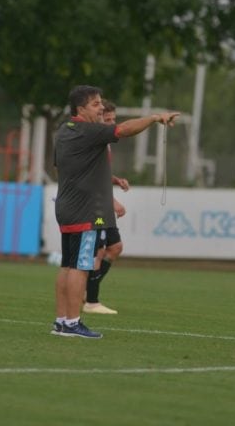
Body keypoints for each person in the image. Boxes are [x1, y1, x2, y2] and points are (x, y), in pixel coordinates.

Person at [52, 85, 179, 339]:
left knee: (68, 265)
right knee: (82, 265)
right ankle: (73, 322)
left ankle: (62, 320)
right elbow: (125, 130)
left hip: (68, 207)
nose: (102, 108)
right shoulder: (89, 131)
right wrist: (155, 118)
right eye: (96, 104)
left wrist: (109, 183)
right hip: (88, 211)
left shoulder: (65, 131)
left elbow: (74, 169)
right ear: (81, 109)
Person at [84, 100, 128, 315]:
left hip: (102, 206)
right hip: (95, 207)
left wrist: (115, 180)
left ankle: (85, 291)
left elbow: (99, 174)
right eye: (107, 119)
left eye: (114, 119)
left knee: (115, 247)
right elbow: (91, 177)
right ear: (98, 117)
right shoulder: (95, 141)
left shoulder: (106, 142)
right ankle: (91, 301)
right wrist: (113, 201)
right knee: (98, 250)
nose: (112, 123)